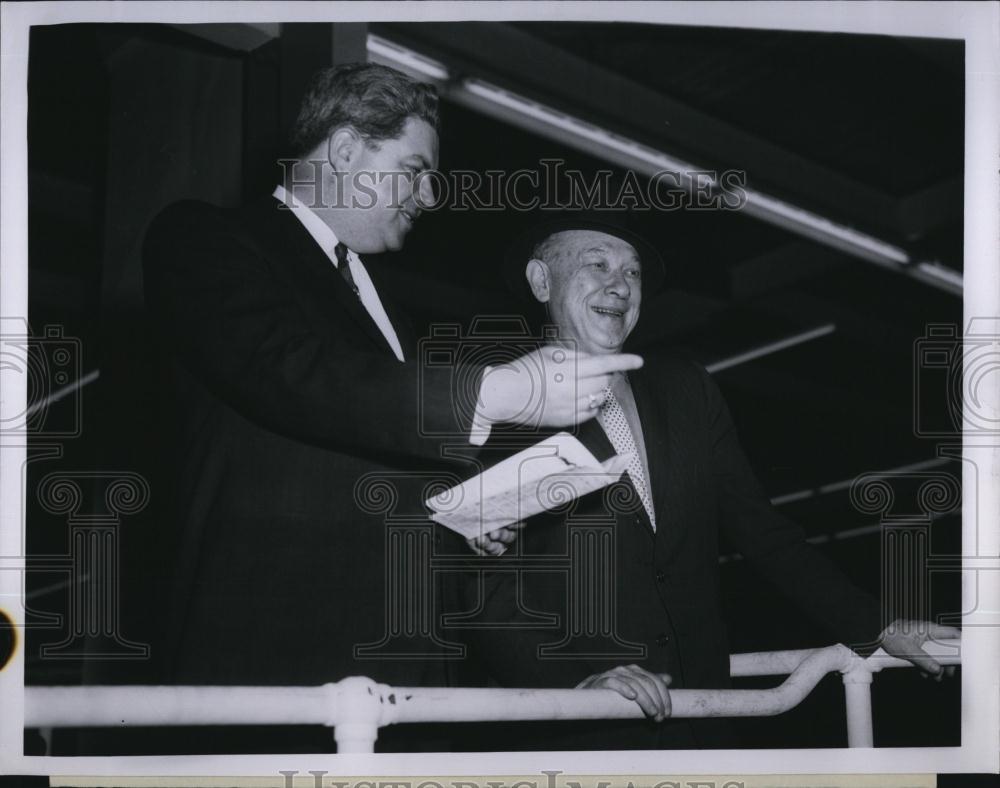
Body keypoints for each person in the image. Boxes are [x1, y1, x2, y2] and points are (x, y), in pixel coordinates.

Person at [140, 64, 641, 752]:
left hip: (405, 697)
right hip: (271, 684)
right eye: (414, 170)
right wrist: (496, 390)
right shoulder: (206, 240)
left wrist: (467, 520)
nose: (427, 196)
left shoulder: (392, 320)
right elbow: (292, 373)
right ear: (345, 151)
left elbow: (412, 524)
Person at [458, 217, 960, 750]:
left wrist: (879, 624)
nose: (621, 285)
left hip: (706, 718)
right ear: (541, 282)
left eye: (633, 272)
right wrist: (575, 685)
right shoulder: (497, 407)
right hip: (587, 727)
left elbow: (765, 533)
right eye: (597, 265)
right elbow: (480, 586)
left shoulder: (686, 389)